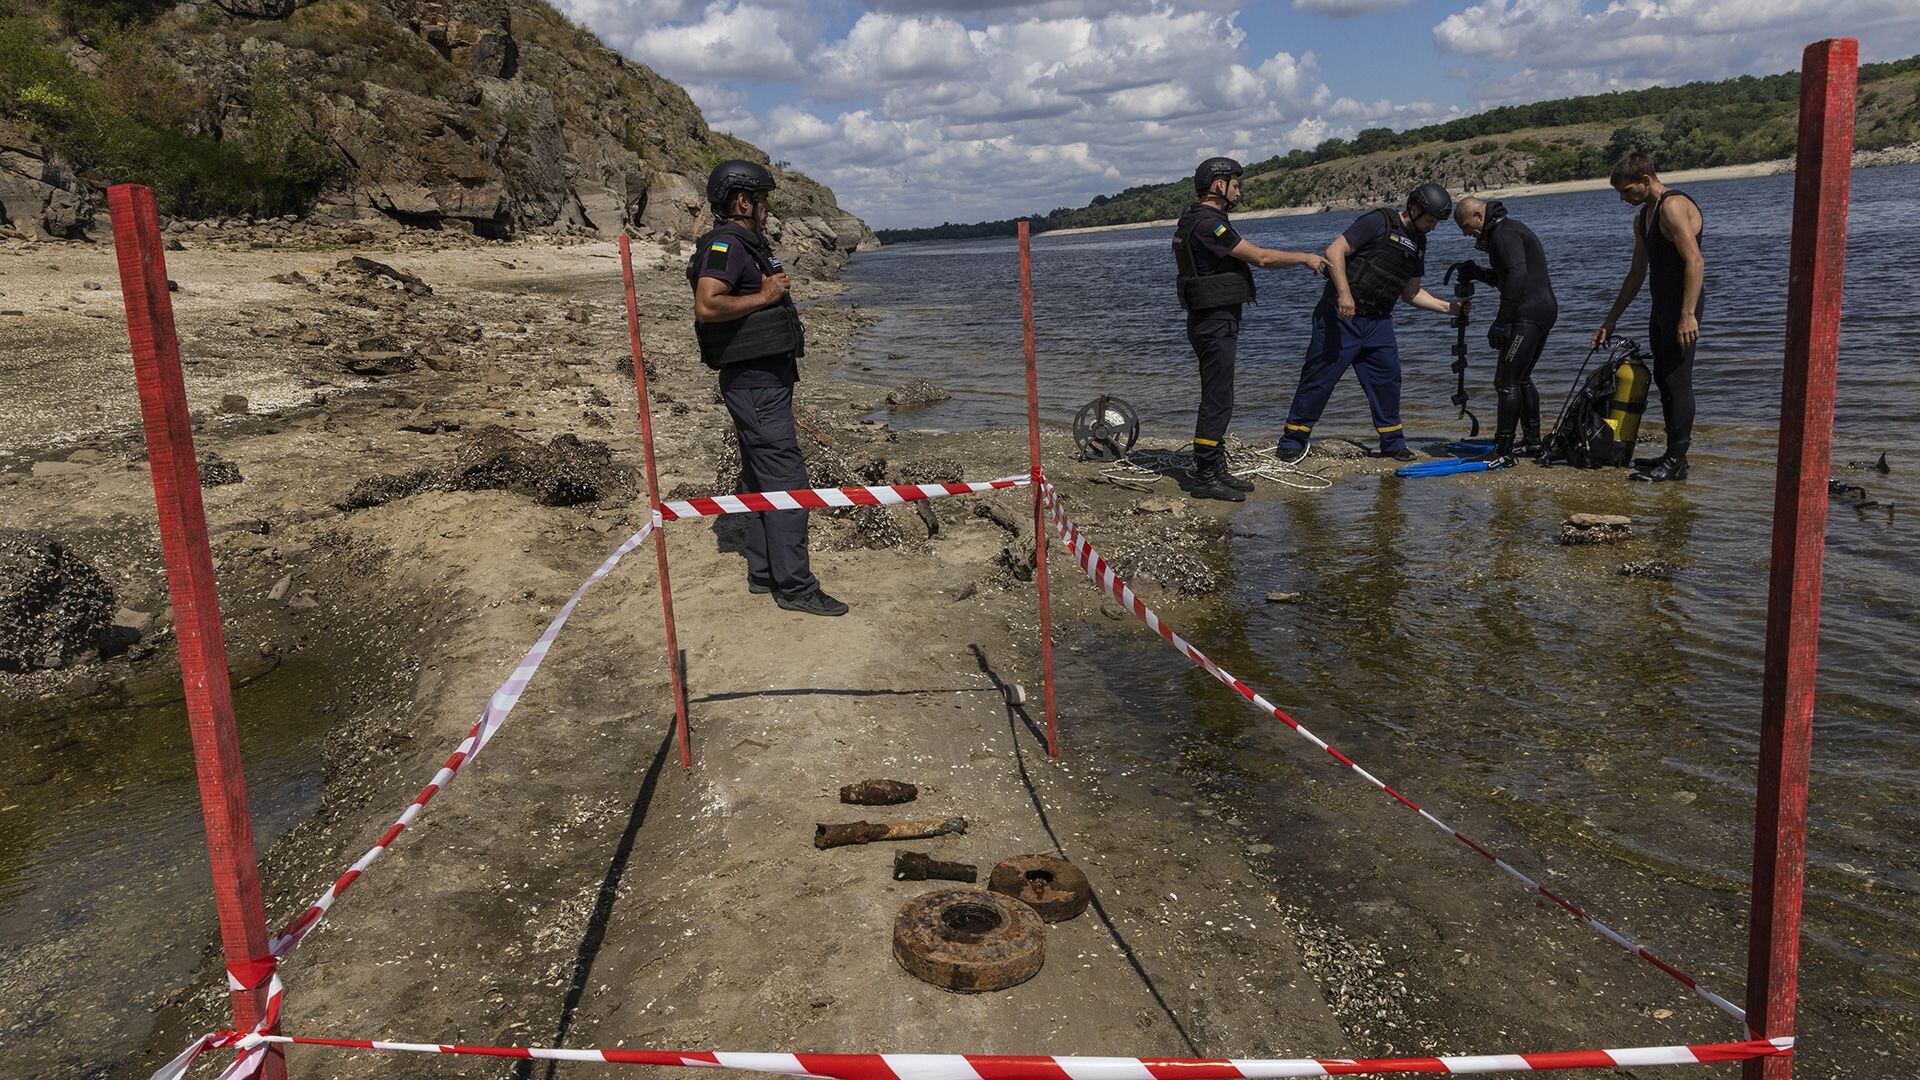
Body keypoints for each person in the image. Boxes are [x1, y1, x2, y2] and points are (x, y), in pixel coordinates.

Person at [688, 159, 847, 616]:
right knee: (788, 482)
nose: (767, 208)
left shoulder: (745, 244)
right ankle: (796, 587)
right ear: (743, 200)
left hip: (761, 382)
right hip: (755, 384)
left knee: (759, 476)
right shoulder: (726, 245)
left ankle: (763, 571)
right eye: (762, 199)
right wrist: (766, 295)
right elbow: (707, 305)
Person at [1275, 183, 1465, 464]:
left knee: (1388, 379)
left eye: (1436, 223)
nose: (1433, 227)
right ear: (1414, 209)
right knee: (1319, 378)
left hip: (1378, 323)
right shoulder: (1377, 221)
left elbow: (1411, 293)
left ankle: (1393, 443)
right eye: (1430, 220)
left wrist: (1450, 308)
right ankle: (1293, 440)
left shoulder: (1419, 244)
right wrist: (1344, 294)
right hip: (1340, 317)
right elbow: (1334, 251)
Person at [1173, 157, 1327, 502]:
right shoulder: (1208, 225)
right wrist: (1304, 257)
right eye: (1235, 184)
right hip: (1214, 322)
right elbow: (1260, 258)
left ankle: (1215, 468)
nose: (1240, 190)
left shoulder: (1200, 221)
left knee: (1221, 394)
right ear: (1218, 186)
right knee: (1218, 398)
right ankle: (1203, 473)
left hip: (1213, 319)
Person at [1589, 152, 1704, 482]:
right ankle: (1672, 456)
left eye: (1628, 191)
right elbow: (1637, 273)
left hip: (1683, 307)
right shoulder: (1643, 218)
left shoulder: (1673, 206)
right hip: (1661, 305)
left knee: (1678, 381)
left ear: (1646, 180)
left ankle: (1676, 460)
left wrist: (1687, 314)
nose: (1624, 199)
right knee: (1665, 380)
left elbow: (1695, 262)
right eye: (1620, 194)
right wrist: (1610, 320)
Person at [1454, 196, 1557, 459]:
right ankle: (1532, 442)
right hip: (1542, 310)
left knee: (1506, 381)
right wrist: (1477, 272)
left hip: (1528, 314)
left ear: (1479, 216)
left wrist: (1502, 320)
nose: (1467, 234)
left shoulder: (1504, 233)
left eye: (1466, 227)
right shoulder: (1507, 230)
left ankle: (1503, 448)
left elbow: (1517, 275)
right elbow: (1507, 278)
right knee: (1521, 378)